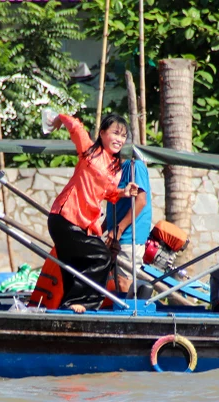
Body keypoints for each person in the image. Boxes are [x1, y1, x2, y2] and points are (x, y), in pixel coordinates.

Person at [43, 112, 139, 313]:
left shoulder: (116, 167)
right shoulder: (89, 152)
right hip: (65, 218)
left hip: (83, 225)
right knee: (101, 256)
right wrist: (59, 118)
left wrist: (123, 192)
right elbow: (76, 127)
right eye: (115, 133)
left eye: (123, 136)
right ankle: (82, 303)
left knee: (77, 266)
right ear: (102, 133)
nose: (119, 139)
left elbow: (107, 192)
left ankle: (69, 307)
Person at [103, 157, 152, 293]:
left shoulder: (134, 166)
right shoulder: (116, 170)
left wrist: (119, 229)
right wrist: (99, 229)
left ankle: (129, 311)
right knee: (114, 281)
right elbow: (115, 208)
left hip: (129, 236)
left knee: (124, 281)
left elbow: (141, 201)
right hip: (116, 235)